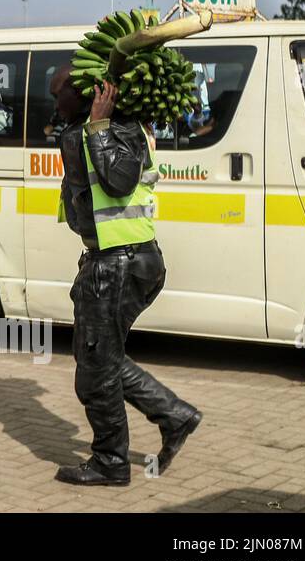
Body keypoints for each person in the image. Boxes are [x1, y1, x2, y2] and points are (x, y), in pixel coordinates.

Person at [49, 68, 201, 485]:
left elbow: (118, 181)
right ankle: (174, 416)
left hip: (123, 262)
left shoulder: (119, 129)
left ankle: (112, 462)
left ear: (85, 95)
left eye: (57, 92)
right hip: (112, 260)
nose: (52, 102)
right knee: (97, 358)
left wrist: (98, 126)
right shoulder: (85, 131)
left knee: (95, 369)